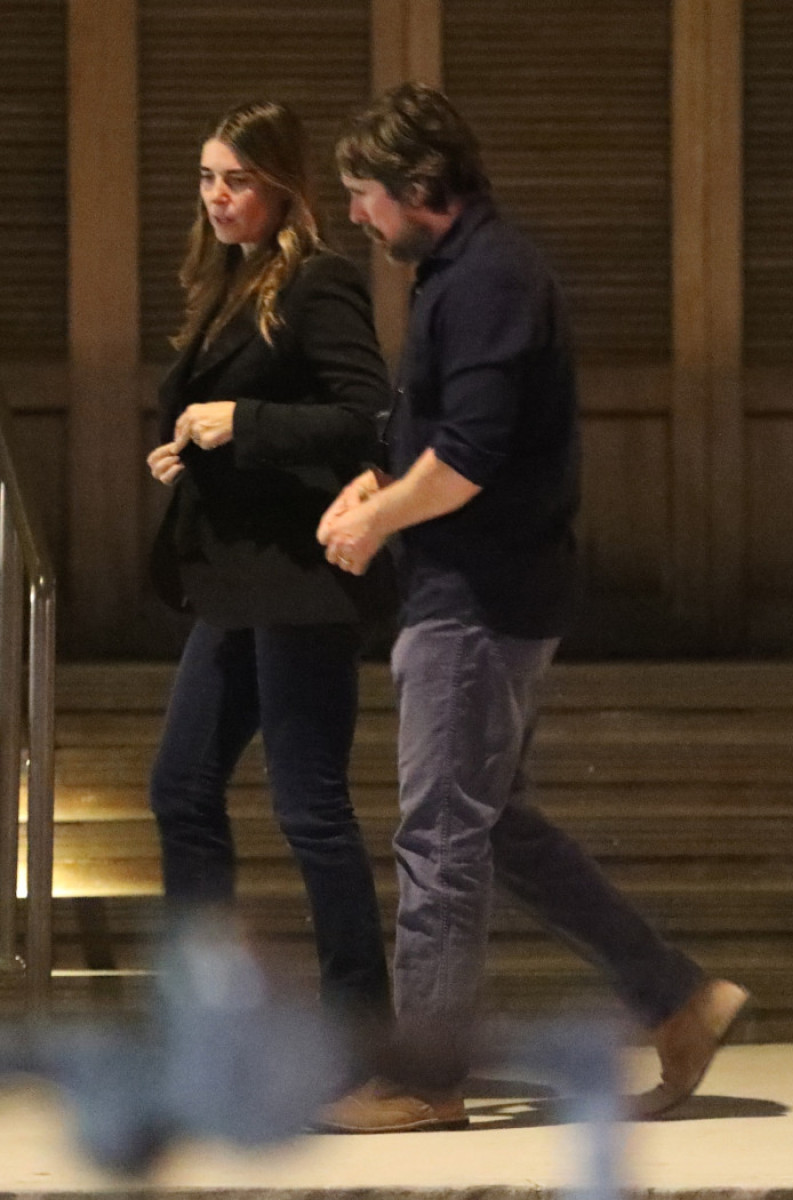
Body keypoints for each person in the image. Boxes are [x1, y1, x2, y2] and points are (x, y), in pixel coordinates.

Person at [316, 82, 749, 1132]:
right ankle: (677, 998)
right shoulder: (461, 276)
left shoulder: (489, 278)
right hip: (477, 591)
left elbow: (469, 459)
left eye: (365, 193)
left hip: (478, 600)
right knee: (493, 827)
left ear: (421, 185)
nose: (356, 214)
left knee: (439, 837)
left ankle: (424, 1080)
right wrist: (377, 485)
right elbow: (446, 436)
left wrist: (375, 524)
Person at [146, 99, 392, 1039]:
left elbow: (364, 415)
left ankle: (360, 1030)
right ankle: (207, 1026)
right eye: (208, 178)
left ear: (284, 186)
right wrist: (188, 450)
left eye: (238, 180)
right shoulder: (227, 282)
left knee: (310, 807)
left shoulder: (319, 281)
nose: (216, 196)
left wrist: (241, 423)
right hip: (235, 582)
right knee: (180, 788)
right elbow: (232, 415)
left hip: (298, 578)